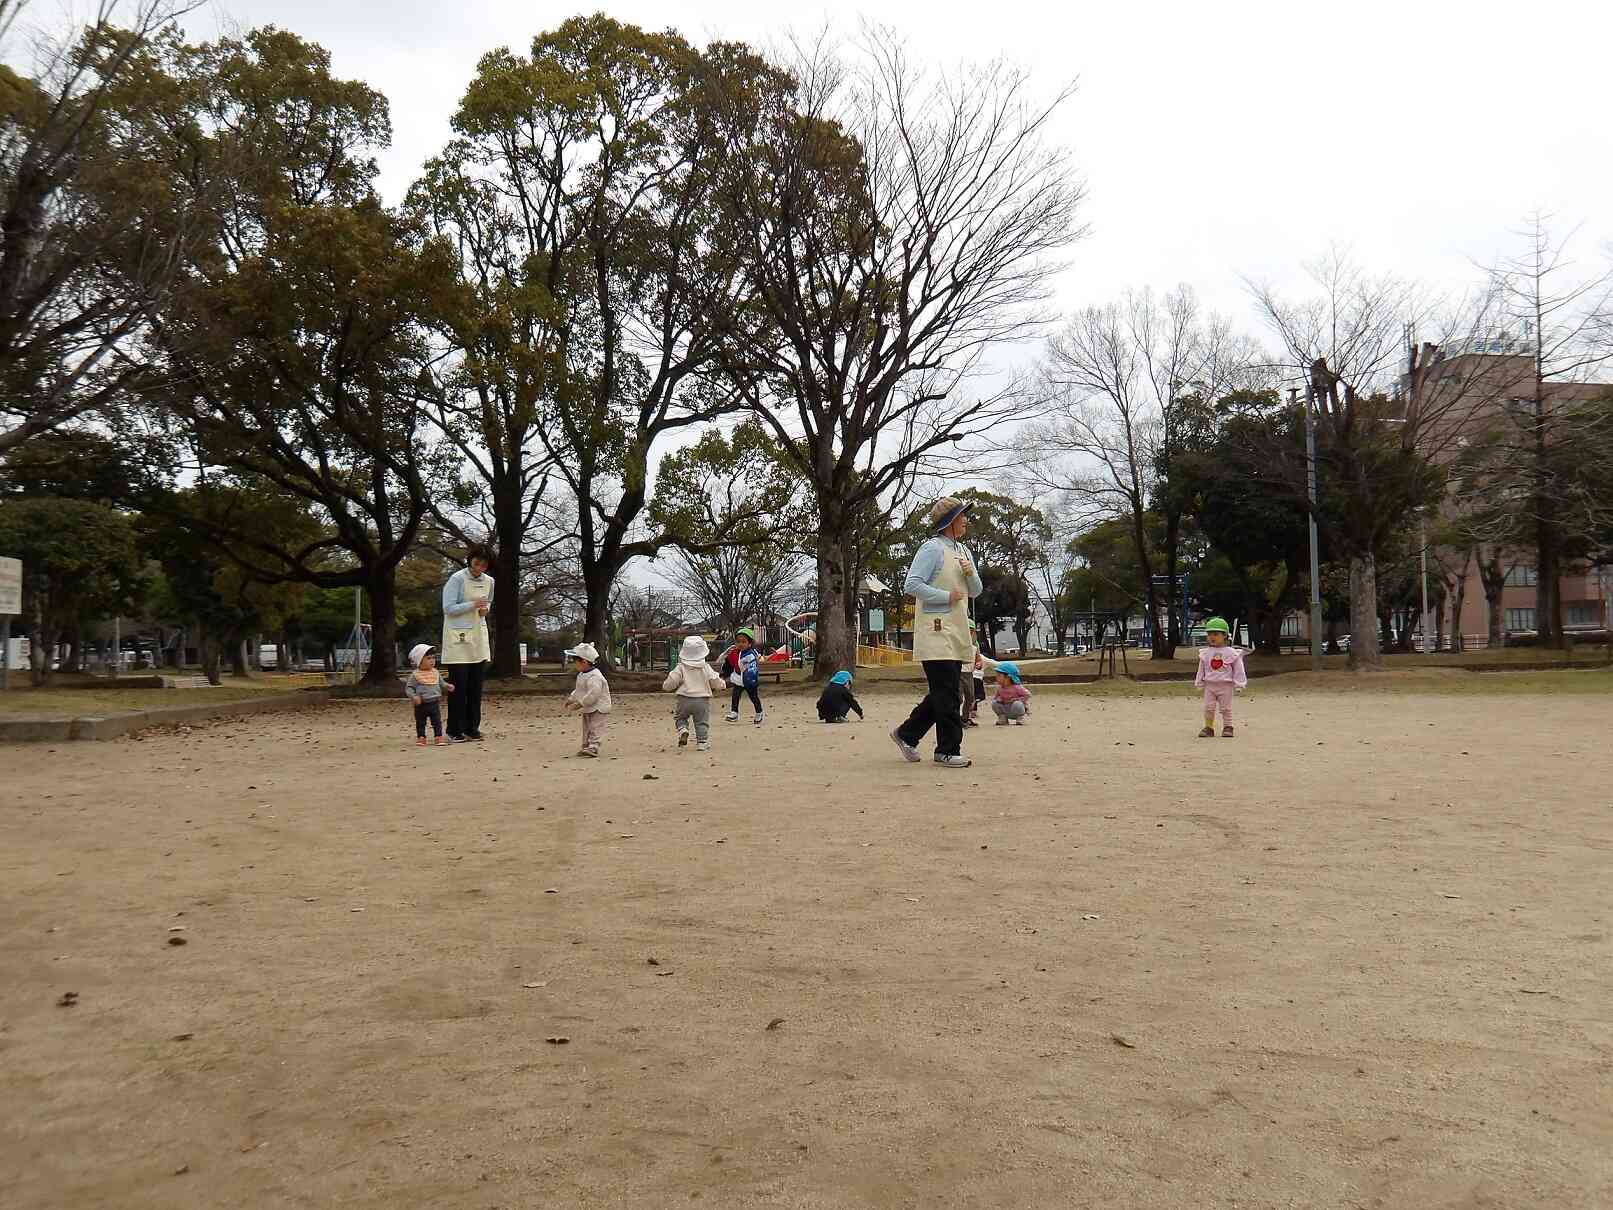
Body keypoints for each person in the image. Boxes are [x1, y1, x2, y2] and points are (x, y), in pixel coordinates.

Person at [891, 497, 983, 768]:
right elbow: (912, 584)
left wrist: (970, 574)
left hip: (956, 629)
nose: (965, 520)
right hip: (935, 630)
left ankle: (906, 734)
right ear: (948, 521)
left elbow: (976, 591)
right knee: (948, 692)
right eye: (961, 516)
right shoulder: (931, 548)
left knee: (946, 690)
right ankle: (947, 749)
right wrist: (946, 596)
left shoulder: (965, 551)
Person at [441, 544, 494, 742]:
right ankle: (454, 730)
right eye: (477, 562)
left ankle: (472, 727)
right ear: (470, 559)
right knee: (459, 687)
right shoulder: (457, 579)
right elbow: (448, 608)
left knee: (475, 686)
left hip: (478, 637)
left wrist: (483, 610)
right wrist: (472, 605)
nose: (479, 566)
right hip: (458, 638)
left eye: (484, 564)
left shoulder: (490, 581)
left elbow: (487, 604)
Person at [663, 634, 724, 751]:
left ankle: (683, 730)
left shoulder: (680, 667)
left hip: (684, 698)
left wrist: (666, 686)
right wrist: (722, 685)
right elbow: (714, 680)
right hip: (702, 699)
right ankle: (702, 742)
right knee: (701, 721)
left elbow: (672, 680)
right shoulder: (705, 667)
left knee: (680, 718)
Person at [1195, 616, 1247, 737]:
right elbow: (1201, 668)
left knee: (1226, 708)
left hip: (1226, 686)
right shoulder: (1205, 653)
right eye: (1209, 634)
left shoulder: (1231, 653)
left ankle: (1228, 727)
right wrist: (1199, 681)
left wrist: (1239, 683)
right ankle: (1209, 728)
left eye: (1215, 634)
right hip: (1210, 686)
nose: (1212, 637)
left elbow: (1239, 669)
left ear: (1224, 635)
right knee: (1208, 707)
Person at [563, 642, 612, 757]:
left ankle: (593, 746)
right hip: (588, 707)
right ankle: (586, 746)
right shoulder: (582, 674)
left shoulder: (595, 677)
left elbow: (593, 694)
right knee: (587, 727)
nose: (574, 664)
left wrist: (579, 704)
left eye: (575, 661)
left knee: (596, 727)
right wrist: (571, 699)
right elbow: (579, 690)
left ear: (584, 662)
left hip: (599, 707)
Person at [404, 643, 454, 746]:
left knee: (437, 722)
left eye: (433, 658)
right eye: (428, 658)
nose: (432, 661)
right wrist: (414, 696)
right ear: (419, 660)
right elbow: (409, 688)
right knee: (421, 722)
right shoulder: (415, 675)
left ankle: (438, 737)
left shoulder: (435, 672)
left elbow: (441, 682)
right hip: (421, 704)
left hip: (434, 703)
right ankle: (421, 737)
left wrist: (447, 686)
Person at [720, 627, 764, 725]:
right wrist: (724, 674)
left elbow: (753, 664)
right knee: (735, 696)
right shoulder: (735, 653)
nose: (740, 644)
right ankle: (734, 713)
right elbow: (729, 664)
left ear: (749, 643)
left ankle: (759, 712)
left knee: (753, 697)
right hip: (738, 679)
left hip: (750, 681)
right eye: (738, 641)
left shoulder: (751, 653)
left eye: (743, 642)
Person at [990, 660, 1031, 725]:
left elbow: (1027, 695)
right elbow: (996, 698)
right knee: (994, 703)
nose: (996, 677)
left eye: (999, 675)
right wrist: (999, 699)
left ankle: (1020, 718)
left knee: (1017, 704)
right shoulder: (1000, 688)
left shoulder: (1017, 687)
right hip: (1005, 708)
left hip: (1015, 709)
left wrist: (1019, 700)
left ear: (1008, 677)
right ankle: (1002, 718)